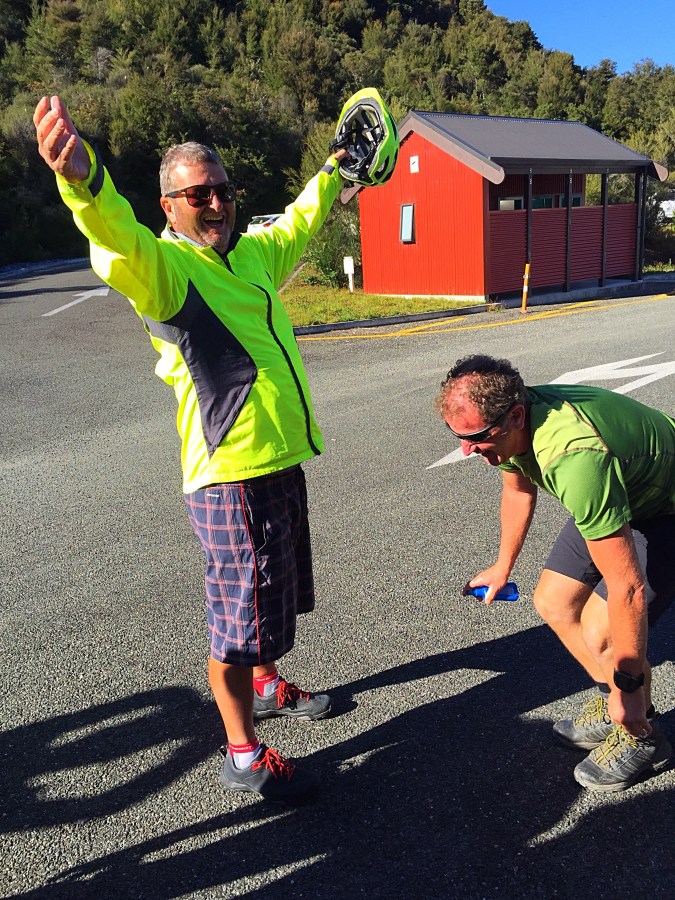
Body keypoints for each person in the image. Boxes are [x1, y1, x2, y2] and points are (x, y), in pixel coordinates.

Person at [34, 94, 350, 804]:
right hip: (228, 475)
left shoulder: (253, 254)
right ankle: (242, 753)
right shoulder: (165, 270)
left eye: (223, 191)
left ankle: (266, 686)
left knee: (269, 602)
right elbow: (118, 238)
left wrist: (334, 169)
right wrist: (84, 184)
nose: (214, 204)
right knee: (235, 623)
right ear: (168, 206)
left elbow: (299, 219)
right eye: (197, 194)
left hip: (278, 460)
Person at [436, 354, 674, 792]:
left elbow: (629, 590)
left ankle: (642, 736)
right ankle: (612, 704)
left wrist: (629, 688)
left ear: (515, 416)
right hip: (619, 495)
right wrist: (503, 566)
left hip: (665, 507)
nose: (467, 450)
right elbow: (518, 489)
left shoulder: (573, 456)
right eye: (459, 437)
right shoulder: (511, 429)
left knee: (603, 632)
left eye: (476, 437)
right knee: (553, 602)